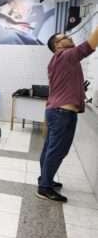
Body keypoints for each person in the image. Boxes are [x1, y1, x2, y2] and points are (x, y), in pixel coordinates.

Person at [36, 29, 98, 202]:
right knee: (57, 151)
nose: (70, 37)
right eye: (65, 37)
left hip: (57, 111)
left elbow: (66, 84)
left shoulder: (58, 60)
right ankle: (44, 188)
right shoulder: (67, 55)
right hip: (62, 113)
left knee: (51, 149)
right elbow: (91, 45)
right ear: (57, 45)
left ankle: (45, 180)